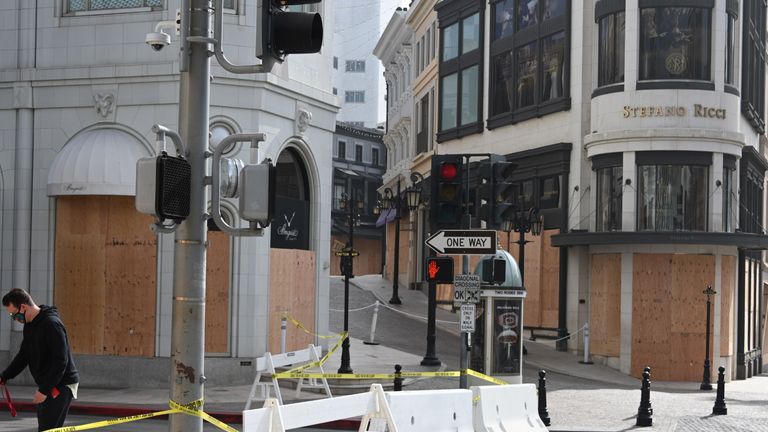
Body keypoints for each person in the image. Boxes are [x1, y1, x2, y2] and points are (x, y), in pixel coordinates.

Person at [0, 288, 79, 431]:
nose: (14, 318)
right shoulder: (30, 326)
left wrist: (44, 390)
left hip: (62, 383)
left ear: (23, 307)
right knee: (46, 427)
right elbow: (24, 356)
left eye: (14, 314)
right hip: (48, 382)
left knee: (48, 428)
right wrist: (4, 376)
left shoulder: (51, 323)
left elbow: (61, 361)